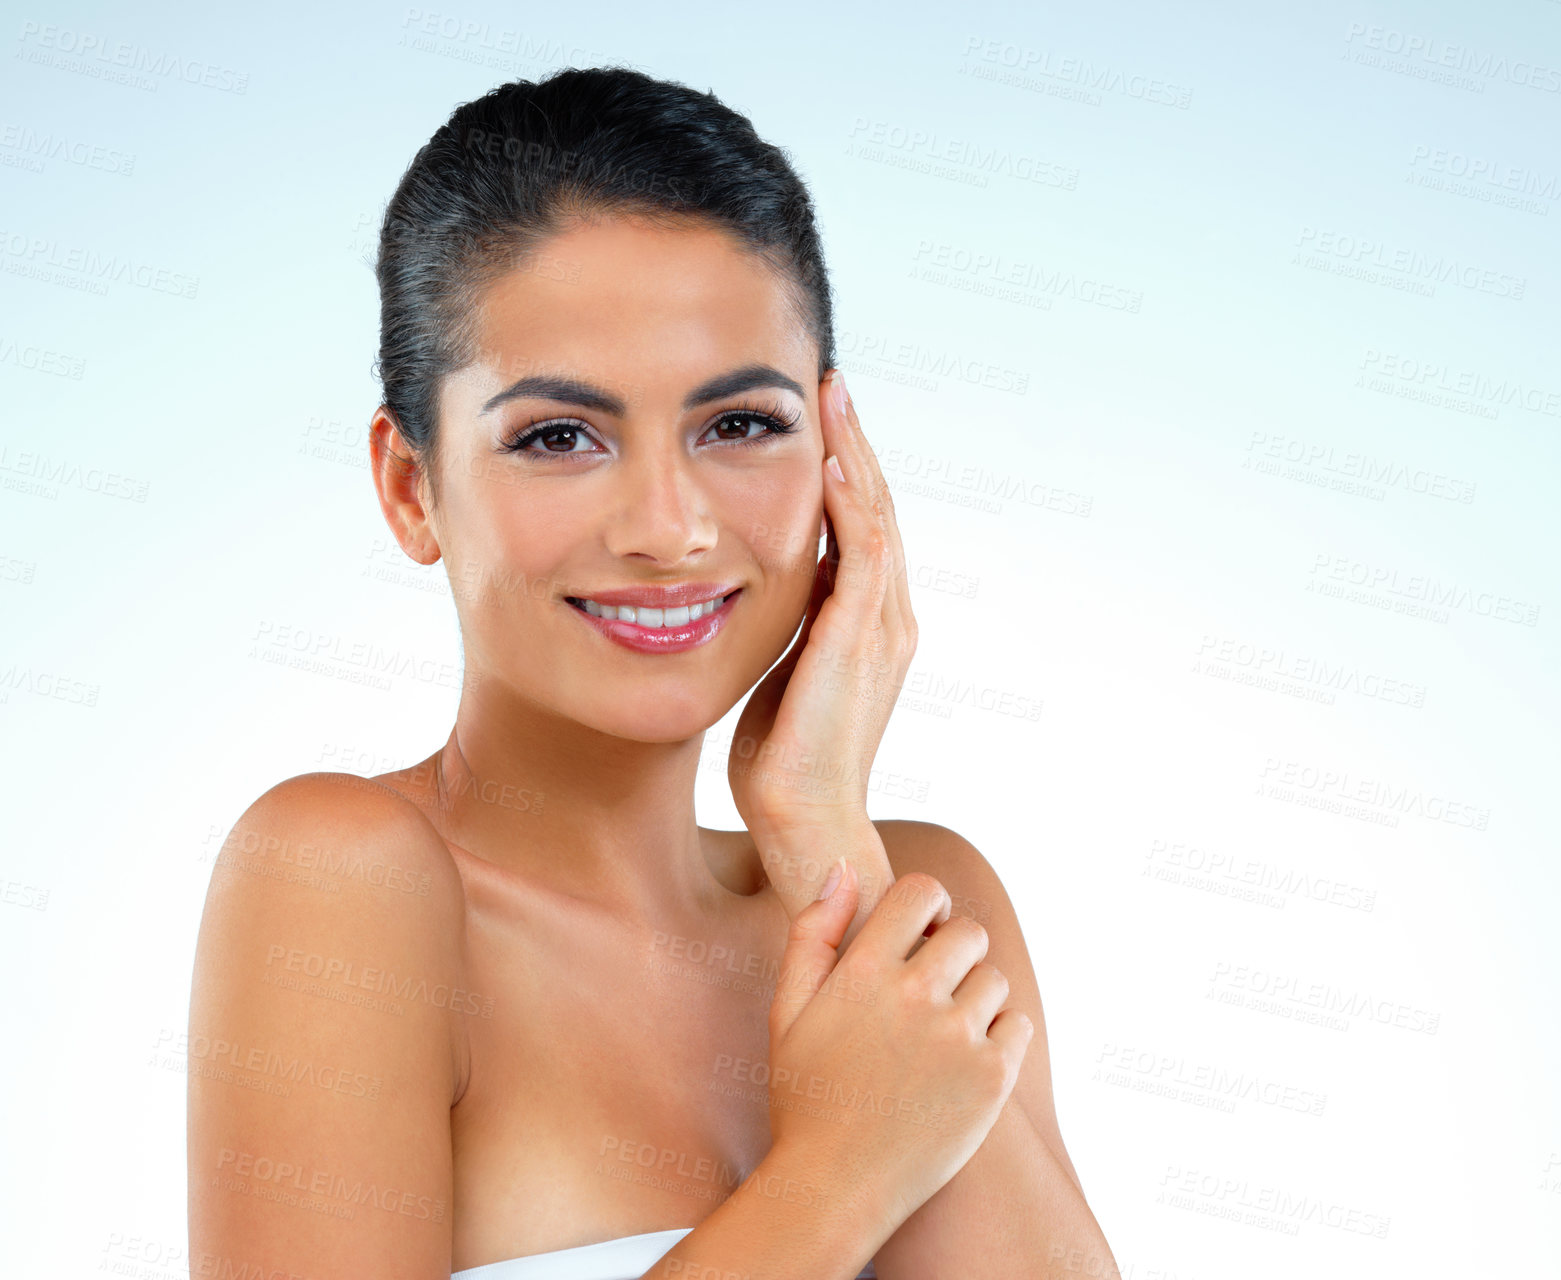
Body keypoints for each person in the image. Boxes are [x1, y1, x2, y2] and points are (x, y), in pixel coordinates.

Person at [186, 65, 1118, 1280]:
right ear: (412, 485)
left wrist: (823, 825)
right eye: (559, 436)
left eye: (739, 423)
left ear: (841, 454)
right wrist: (842, 1168)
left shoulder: (921, 898)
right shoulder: (343, 875)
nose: (667, 526)